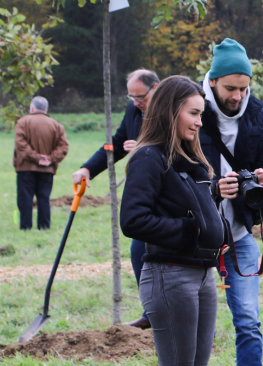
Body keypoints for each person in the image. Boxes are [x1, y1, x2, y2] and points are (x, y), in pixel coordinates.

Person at [119, 76, 226, 366]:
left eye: (201, 114)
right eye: (193, 113)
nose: (199, 122)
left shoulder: (187, 161)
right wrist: (187, 231)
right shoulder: (149, 158)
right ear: (170, 111)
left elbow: (198, 212)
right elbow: (134, 220)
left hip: (200, 276)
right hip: (169, 276)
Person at [198, 39, 263, 366]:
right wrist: (213, 188)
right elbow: (171, 174)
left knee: (248, 321)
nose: (238, 96)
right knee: (192, 327)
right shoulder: (190, 110)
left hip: (240, 235)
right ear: (213, 81)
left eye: (244, 88)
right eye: (230, 88)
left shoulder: (256, 114)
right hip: (194, 238)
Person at [73, 69, 161, 329]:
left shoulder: (171, 109)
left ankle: (171, 315)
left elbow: (181, 145)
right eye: (131, 96)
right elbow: (116, 142)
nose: (136, 101)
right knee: (138, 251)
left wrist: (145, 147)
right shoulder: (134, 111)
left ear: (155, 88)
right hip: (143, 192)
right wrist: (88, 168)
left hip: (169, 193)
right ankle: (152, 312)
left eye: (140, 96)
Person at [14, 97, 68, 231]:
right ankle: (44, 227)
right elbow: (63, 147)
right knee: (44, 198)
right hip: (47, 169)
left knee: (25, 197)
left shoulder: (22, 122)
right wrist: (49, 159)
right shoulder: (57, 125)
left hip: (25, 167)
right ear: (46, 109)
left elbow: (20, 144)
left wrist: (36, 158)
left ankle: (25, 227)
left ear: (32, 108)